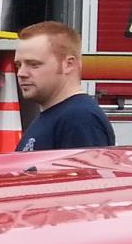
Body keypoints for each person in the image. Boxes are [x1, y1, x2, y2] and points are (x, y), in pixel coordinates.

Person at [14, 20, 114, 151]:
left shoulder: (79, 119)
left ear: (68, 64)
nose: (21, 73)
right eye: (18, 65)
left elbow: (86, 172)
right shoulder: (57, 116)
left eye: (34, 64)